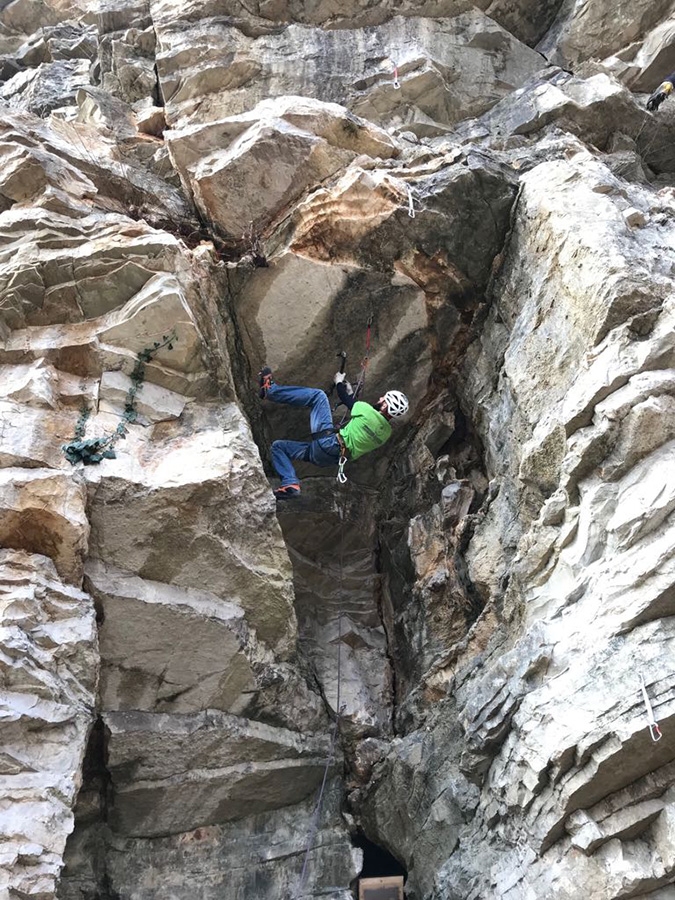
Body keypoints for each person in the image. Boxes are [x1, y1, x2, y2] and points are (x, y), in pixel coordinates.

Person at [258, 367, 409, 498]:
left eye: (384, 399)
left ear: (384, 406)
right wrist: (351, 394)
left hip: (329, 443)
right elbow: (364, 416)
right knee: (278, 447)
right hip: (328, 459)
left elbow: (346, 399)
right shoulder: (385, 434)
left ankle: (270, 391)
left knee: (318, 397)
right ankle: (290, 484)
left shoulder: (367, 411)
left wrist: (339, 382)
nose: (380, 398)